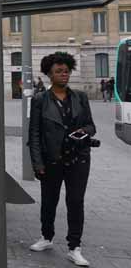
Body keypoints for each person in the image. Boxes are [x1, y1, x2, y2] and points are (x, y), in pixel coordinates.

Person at [28, 52, 96, 267]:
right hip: (52, 160)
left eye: (66, 71)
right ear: (49, 74)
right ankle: (46, 237)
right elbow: (34, 134)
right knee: (49, 201)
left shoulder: (80, 97)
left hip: (78, 159)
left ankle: (74, 247)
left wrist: (82, 133)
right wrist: (37, 163)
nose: (64, 75)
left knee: (76, 202)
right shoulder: (40, 100)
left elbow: (91, 126)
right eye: (59, 71)